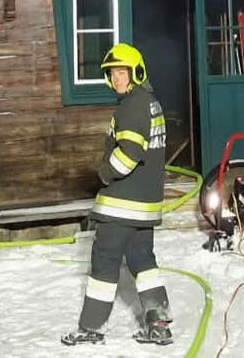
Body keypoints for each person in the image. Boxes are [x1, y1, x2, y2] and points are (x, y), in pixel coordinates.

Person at [62, 43, 172, 347]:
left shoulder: (132, 105)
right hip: (145, 205)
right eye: (113, 73)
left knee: (104, 263)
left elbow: (131, 153)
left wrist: (104, 173)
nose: (117, 79)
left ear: (136, 72)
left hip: (122, 204)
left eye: (122, 72)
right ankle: (158, 322)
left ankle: (91, 327)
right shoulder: (151, 103)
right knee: (142, 260)